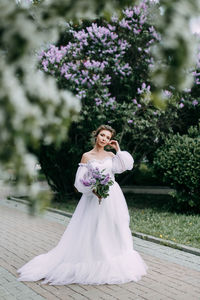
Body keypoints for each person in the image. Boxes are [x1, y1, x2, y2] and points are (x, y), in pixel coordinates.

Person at [17, 124, 148, 285]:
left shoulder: (111, 155)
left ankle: (113, 257)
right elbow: (80, 181)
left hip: (112, 196)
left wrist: (118, 149)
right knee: (94, 227)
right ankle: (93, 258)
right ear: (96, 135)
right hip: (94, 197)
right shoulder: (87, 156)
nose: (104, 139)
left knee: (114, 225)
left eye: (107, 137)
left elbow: (125, 166)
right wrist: (94, 190)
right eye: (102, 135)